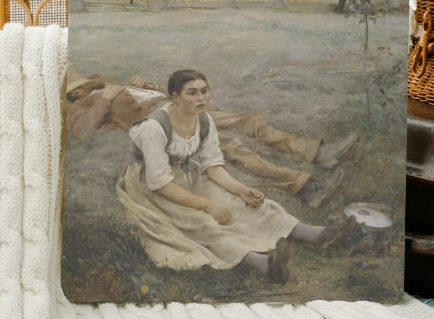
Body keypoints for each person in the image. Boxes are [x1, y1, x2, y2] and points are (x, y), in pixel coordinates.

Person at [115, 68, 355, 284]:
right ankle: (263, 265)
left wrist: (241, 190)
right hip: (151, 187)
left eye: (204, 91)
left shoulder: (204, 120)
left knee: (240, 203)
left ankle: (311, 234)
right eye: (192, 93)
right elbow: (161, 184)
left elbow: (212, 166)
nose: (201, 98)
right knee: (200, 221)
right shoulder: (153, 129)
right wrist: (207, 205)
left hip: (188, 177)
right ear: (175, 98)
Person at [66, 70, 355, 207]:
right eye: (81, 87)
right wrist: (102, 100)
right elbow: (81, 132)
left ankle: (318, 152)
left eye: (88, 83)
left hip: (176, 104)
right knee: (231, 146)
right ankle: (307, 188)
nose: (87, 86)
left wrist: (146, 85)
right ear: (74, 93)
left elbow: (164, 94)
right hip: (165, 119)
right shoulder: (88, 104)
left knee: (247, 119)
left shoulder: (112, 85)